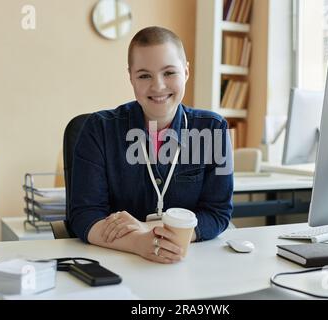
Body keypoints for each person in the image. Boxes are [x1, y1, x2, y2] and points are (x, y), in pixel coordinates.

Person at [70, 26, 233, 264]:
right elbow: (85, 216)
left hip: (188, 263)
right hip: (116, 262)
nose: (158, 86)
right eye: (144, 75)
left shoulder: (214, 129)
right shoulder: (98, 129)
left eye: (169, 73)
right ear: (131, 77)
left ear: (186, 71)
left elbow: (217, 213)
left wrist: (149, 230)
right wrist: (138, 243)